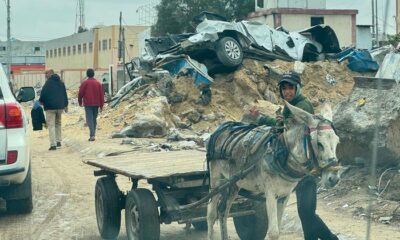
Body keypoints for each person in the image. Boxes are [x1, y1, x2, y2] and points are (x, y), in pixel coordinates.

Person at [251, 72, 338, 240]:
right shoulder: (289, 105)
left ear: (297, 88)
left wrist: (262, 118)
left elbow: (285, 128)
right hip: (299, 168)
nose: (287, 92)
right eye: (284, 88)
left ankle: (331, 238)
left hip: (306, 169)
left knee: (306, 213)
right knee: (305, 214)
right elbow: (282, 125)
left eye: (291, 88)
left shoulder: (302, 106)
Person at [39, 69, 68, 150]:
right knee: (58, 124)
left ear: (51, 73)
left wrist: (41, 101)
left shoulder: (47, 83)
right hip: (60, 107)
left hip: (50, 108)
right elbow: (64, 94)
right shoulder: (61, 82)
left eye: (46, 73)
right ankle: (58, 141)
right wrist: (66, 105)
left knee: (51, 125)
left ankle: (53, 145)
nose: (45, 75)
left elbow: (43, 94)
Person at [78, 68, 104, 141]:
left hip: (88, 104)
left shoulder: (84, 83)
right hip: (96, 104)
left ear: (87, 74)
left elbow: (80, 94)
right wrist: (101, 105)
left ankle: (92, 135)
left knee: (89, 119)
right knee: (94, 119)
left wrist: (80, 102)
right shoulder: (98, 83)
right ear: (93, 74)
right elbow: (101, 95)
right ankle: (93, 134)